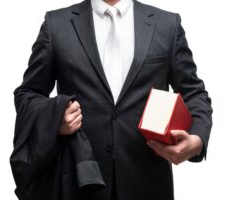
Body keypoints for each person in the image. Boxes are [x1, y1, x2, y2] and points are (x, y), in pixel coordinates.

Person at [12, 0, 213, 199]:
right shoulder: (56, 24)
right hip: (79, 184)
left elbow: (194, 93)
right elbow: (27, 94)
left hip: (148, 186)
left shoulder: (167, 24)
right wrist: (55, 118)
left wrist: (196, 140)